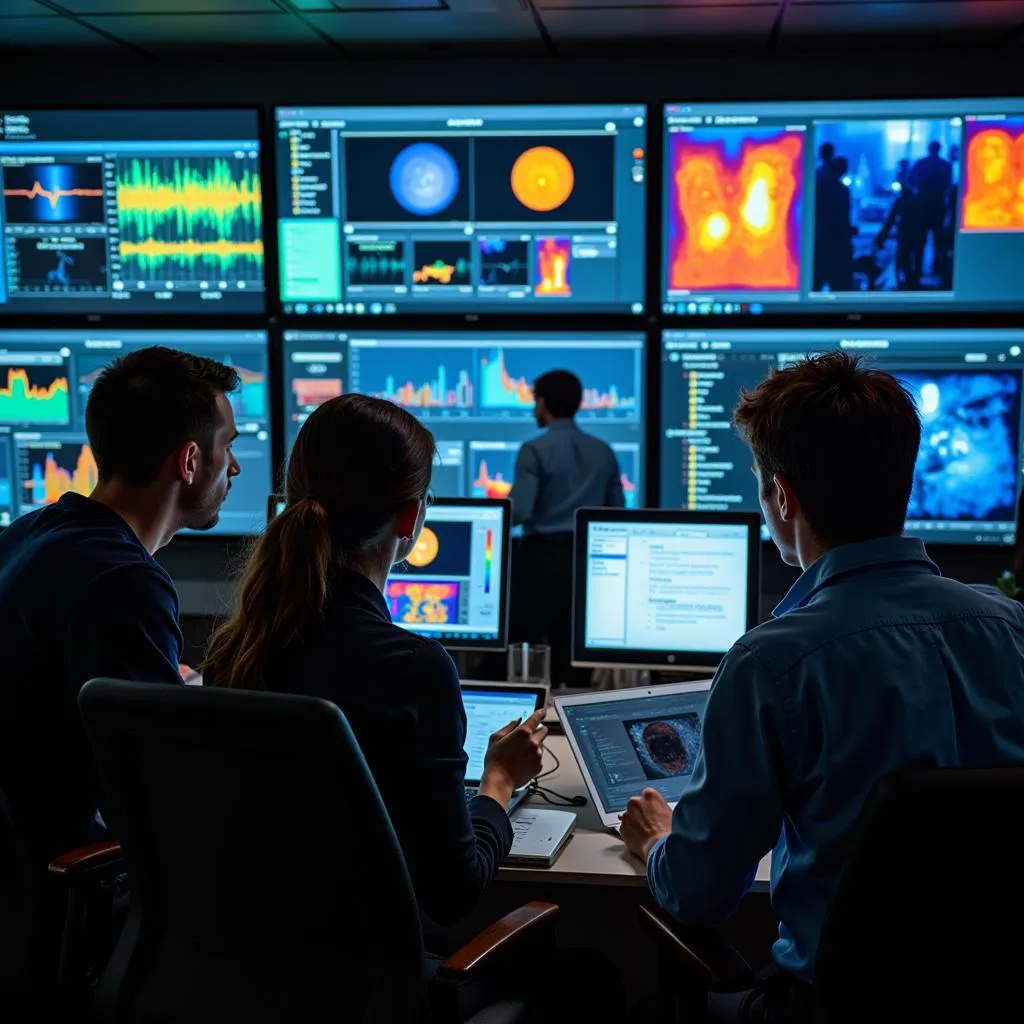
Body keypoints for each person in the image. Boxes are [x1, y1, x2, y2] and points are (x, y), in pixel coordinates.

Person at [618, 352, 1024, 1022]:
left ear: (783, 497)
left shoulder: (773, 664)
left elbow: (698, 896)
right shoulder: (1011, 628)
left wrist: (658, 839)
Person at [204, 394, 544, 914]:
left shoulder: (237, 651)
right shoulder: (414, 668)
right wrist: (497, 780)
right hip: (373, 982)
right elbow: (455, 892)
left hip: (244, 967)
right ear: (411, 518)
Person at [0, 346, 241, 867]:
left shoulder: (30, 533)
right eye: (228, 447)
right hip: (74, 893)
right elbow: (157, 793)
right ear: (190, 461)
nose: (236, 467)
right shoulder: (125, 581)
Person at [509, 369, 625, 686]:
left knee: (530, 647)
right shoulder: (603, 450)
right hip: (588, 562)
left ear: (543, 403)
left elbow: (520, 511)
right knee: (574, 647)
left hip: (539, 560)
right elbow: (617, 512)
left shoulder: (533, 450)